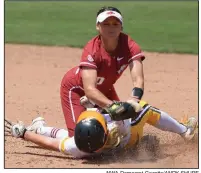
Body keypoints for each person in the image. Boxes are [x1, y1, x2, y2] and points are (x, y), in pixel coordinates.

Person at [5, 100, 198, 159]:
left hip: (108, 151)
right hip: (130, 140)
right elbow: (123, 109)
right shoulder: (117, 125)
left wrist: (24, 134)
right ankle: (184, 130)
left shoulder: (78, 147)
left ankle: (40, 127)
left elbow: (52, 143)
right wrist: (94, 102)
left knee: (66, 136)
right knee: (144, 108)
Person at [60, 6, 145, 137]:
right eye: (106, 24)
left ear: (121, 27)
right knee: (81, 138)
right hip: (76, 88)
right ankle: (41, 130)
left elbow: (138, 79)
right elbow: (89, 90)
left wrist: (134, 99)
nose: (111, 27)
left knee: (123, 129)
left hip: (104, 88)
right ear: (98, 26)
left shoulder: (129, 45)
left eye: (115, 24)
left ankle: (184, 130)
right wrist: (113, 106)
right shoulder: (92, 50)